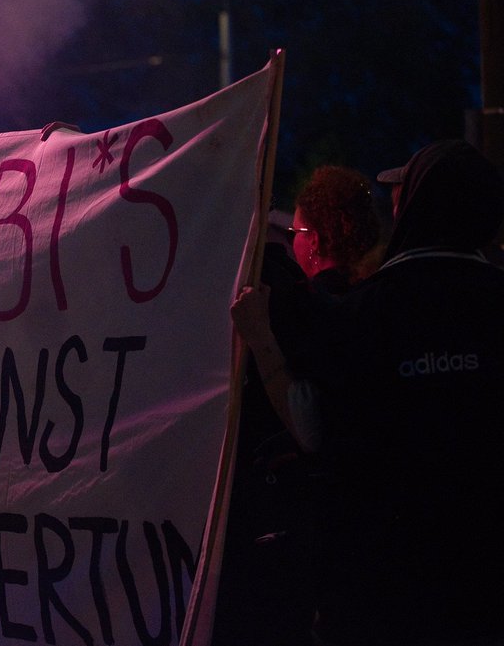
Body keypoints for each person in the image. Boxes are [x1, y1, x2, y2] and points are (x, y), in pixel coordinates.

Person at [237, 140, 504, 645]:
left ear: (414, 206)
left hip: (379, 593)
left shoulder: (363, 313)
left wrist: (261, 342)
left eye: (402, 193)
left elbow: (315, 430)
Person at [216, 166, 380, 646]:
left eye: (296, 232)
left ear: (319, 237)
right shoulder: (376, 303)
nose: (292, 243)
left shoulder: (308, 310)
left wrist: (262, 339)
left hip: (312, 526)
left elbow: (309, 423)